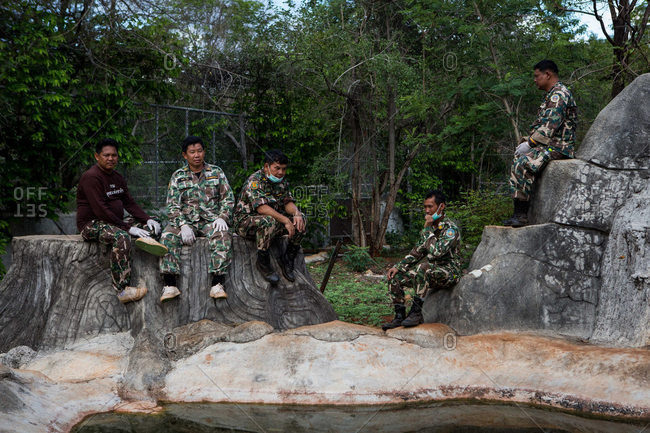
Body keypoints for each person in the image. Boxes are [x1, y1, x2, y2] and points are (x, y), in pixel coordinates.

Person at [77, 138, 162, 304]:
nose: (111, 158)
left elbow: (129, 203)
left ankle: (147, 245)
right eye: (106, 155)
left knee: (152, 225)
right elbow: (100, 210)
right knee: (122, 237)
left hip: (114, 221)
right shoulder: (91, 177)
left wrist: (148, 219)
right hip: (92, 224)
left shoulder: (117, 177)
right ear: (97, 156)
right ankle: (122, 289)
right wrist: (127, 228)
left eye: (114, 155)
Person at [159, 136, 235, 301]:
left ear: (204, 152)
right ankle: (170, 284)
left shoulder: (216, 172)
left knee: (223, 236)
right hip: (186, 222)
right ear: (185, 155)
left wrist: (222, 217)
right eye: (192, 152)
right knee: (167, 236)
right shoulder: (178, 176)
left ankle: (217, 283)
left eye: (199, 151)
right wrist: (182, 225)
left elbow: (228, 199)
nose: (197, 155)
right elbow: (172, 206)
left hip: (211, 220)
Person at [504, 59, 578, 227]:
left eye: (537, 76)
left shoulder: (559, 94)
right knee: (519, 158)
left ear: (548, 74)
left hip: (559, 146)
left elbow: (549, 126)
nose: (534, 79)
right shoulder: (552, 94)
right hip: (549, 145)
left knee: (523, 162)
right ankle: (518, 213)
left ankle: (521, 215)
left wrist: (529, 143)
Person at [382, 190, 462, 330]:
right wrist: (398, 267)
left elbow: (438, 252)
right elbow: (417, 252)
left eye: (430, 207)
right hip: (430, 273)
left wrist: (426, 230)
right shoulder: (431, 229)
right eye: (425, 207)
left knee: (423, 268)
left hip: (449, 273)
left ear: (441, 207)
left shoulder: (450, 229)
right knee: (395, 276)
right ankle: (399, 316)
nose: (427, 211)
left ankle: (416, 312)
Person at [234, 149, 306, 284]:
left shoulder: (282, 181)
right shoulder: (254, 181)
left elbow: (287, 202)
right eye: (277, 168)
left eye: (283, 169)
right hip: (246, 223)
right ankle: (263, 262)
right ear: (267, 166)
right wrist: (285, 220)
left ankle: (288, 259)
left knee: (302, 220)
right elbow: (261, 208)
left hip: (272, 222)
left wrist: (296, 213)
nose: (280, 173)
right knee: (269, 221)